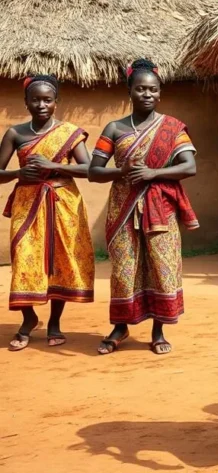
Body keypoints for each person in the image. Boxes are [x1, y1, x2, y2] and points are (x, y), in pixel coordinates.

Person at [89, 59, 198, 356]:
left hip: (160, 208)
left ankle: (158, 329)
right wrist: (122, 171)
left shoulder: (172, 128)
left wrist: (153, 173)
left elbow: (189, 166)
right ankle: (120, 326)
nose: (147, 94)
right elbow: (94, 171)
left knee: (161, 266)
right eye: (140, 89)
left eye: (152, 89)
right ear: (130, 91)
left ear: (159, 93)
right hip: (122, 207)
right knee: (124, 268)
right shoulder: (114, 128)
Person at [2, 75, 93, 350]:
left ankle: (54, 322)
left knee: (61, 261)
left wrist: (54, 165)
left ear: (56, 103)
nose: (41, 104)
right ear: (26, 103)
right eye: (35, 100)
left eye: (47, 100)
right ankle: (28, 318)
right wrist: (19, 172)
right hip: (27, 201)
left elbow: (90, 169)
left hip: (63, 202)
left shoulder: (69, 132)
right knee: (24, 259)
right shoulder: (15, 133)